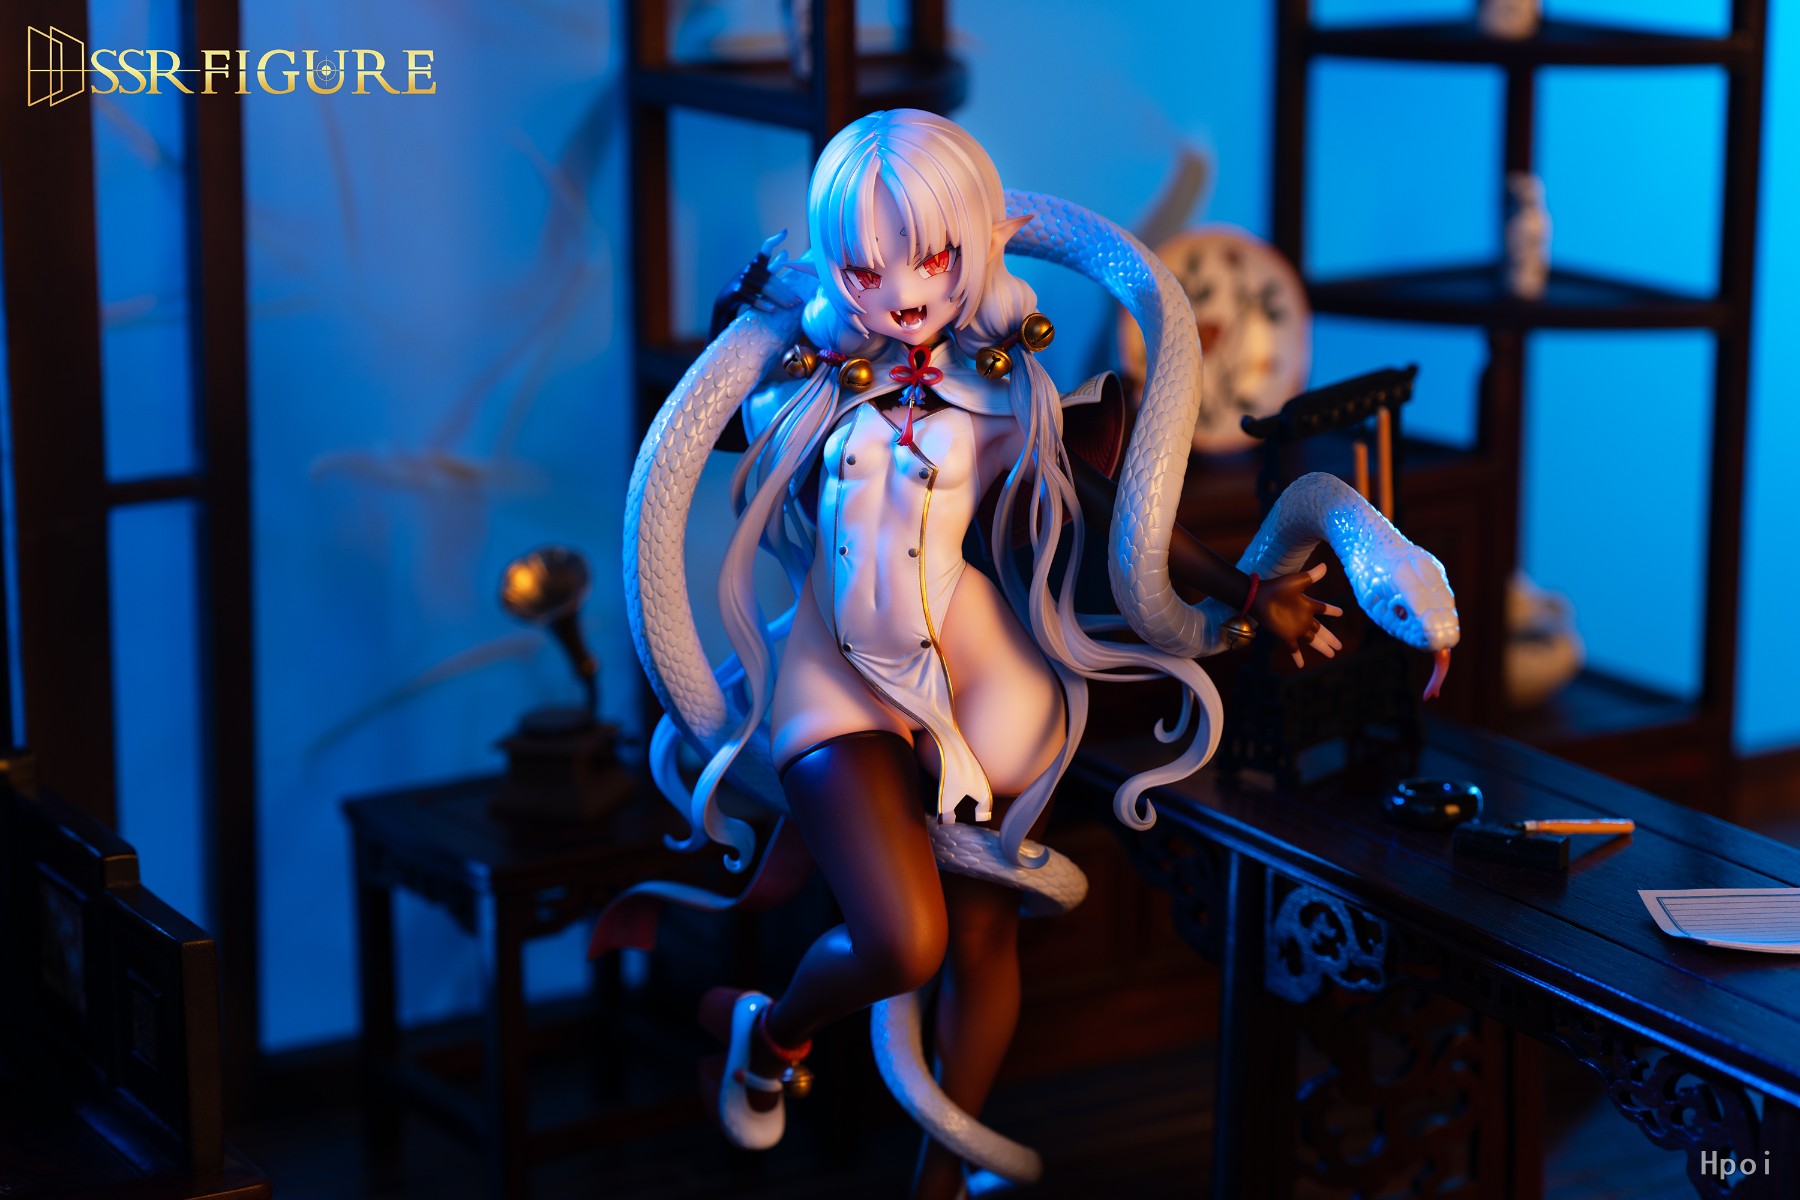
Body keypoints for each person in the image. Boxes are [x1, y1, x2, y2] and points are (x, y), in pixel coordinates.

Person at [603, 109, 1340, 1199]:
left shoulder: (1002, 390)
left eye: (933, 258)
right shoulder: (806, 379)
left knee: (984, 936)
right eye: (867, 268)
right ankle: (773, 1032)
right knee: (905, 942)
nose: (904, 293)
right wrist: (738, 330)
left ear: (978, 246)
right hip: (837, 675)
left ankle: (944, 1173)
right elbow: (699, 435)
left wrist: (1240, 589)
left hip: (974, 674)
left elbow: (1110, 508)